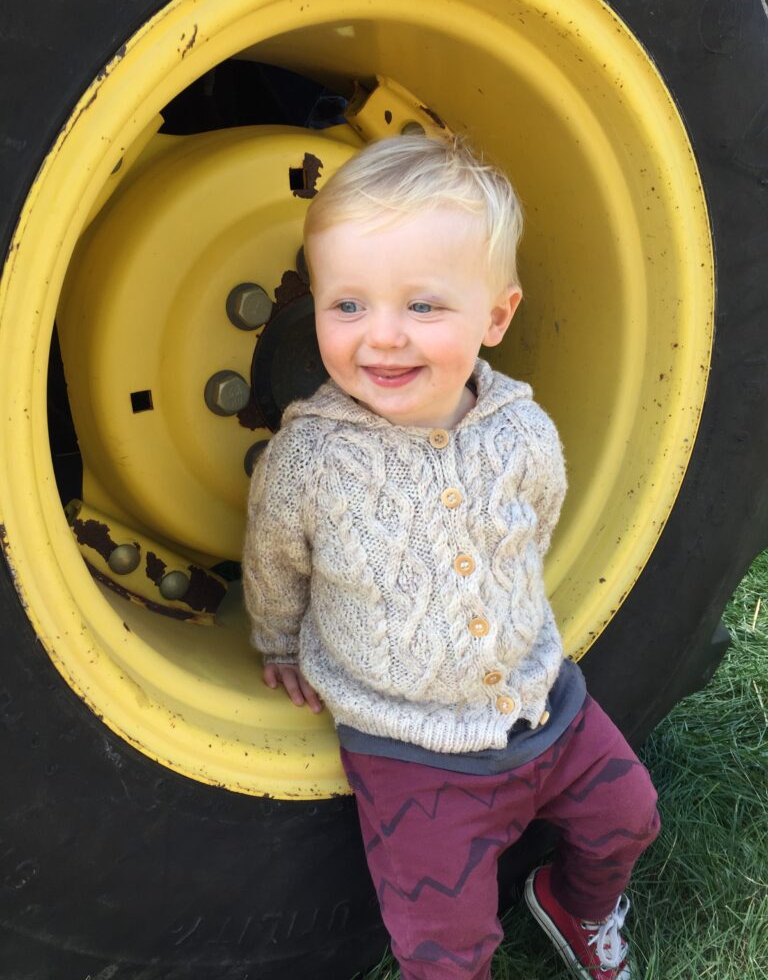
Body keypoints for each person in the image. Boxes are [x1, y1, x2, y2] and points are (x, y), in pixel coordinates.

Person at [242, 134, 660, 980]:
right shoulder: (310, 461)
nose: (382, 338)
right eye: (347, 306)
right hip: (413, 753)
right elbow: (274, 560)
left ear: (496, 317)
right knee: (445, 950)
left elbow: (532, 530)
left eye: (423, 307)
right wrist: (279, 642)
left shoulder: (524, 431)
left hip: (548, 705)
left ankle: (574, 907)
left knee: (633, 816)